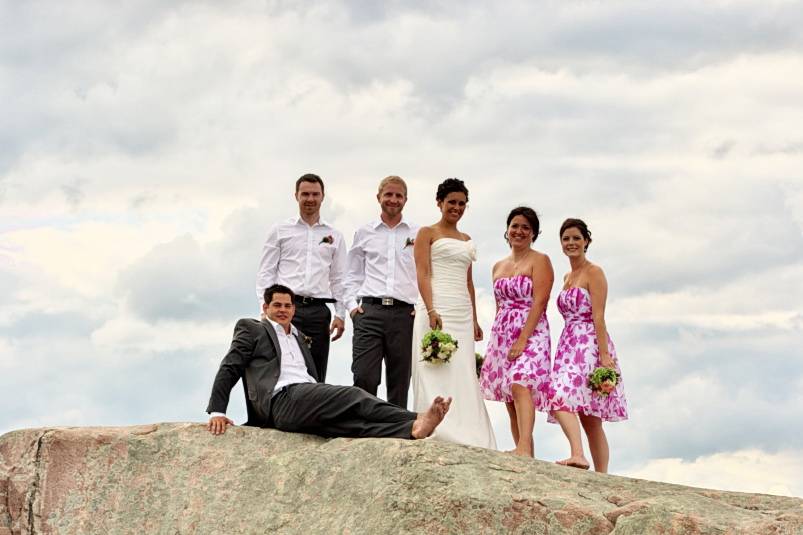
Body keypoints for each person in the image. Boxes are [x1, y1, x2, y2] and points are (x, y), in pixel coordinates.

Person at [206, 284, 452, 440]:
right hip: (281, 399)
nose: (283, 310)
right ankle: (415, 417)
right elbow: (230, 367)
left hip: (305, 399)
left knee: (352, 425)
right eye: (277, 305)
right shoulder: (252, 328)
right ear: (265, 307)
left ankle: (411, 430)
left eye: (288, 306)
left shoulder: (300, 336)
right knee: (353, 396)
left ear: (294, 309)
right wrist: (218, 411)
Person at [411, 178, 496, 449]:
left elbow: (469, 282)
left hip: (461, 309)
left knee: (462, 369)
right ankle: (435, 423)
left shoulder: (466, 239)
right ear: (440, 203)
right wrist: (431, 307)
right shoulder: (427, 233)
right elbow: (422, 273)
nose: (456, 208)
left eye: (461, 203)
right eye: (451, 202)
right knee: (434, 364)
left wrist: (473, 318)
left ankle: (468, 429)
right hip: (436, 306)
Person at [547, 218, 628, 473]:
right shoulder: (567, 276)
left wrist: (604, 356)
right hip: (568, 342)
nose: (571, 243)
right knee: (584, 412)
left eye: (576, 238)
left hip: (589, 344)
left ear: (586, 241)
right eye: (566, 239)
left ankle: (588, 463)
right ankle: (585, 460)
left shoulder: (594, 272)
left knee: (566, 400)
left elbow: (599, 316)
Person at [255, 173, 347, 382]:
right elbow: (266, 272)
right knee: (281, 366)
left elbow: (339, 278)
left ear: (323, 197)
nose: (310, 199)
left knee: (315, 370)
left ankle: (314, 414)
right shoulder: (280, 231)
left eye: (315, 194)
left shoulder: (335, 235)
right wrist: (265, 306)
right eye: (305, 194)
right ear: (296, 196)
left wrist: (340, 314)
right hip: (285, 308)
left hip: (318, 312)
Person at [479, 207, 553, 457]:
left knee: (521, 383)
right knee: (509, 394)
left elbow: (540, 301)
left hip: (531, 330)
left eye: (525, 228)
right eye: (515, 226)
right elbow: (499, 304)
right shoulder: (498, 266)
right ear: (507, 230)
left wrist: (523, 339)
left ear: (533, 233)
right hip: (502, 332)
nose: (519, 231)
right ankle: (525, 450)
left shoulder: (540, 260)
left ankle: (523, 446)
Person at [345, 176, 419, 407]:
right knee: (364, 375)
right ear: (379, 197)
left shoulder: (418, 234)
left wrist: (421, 307)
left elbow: (426, 274)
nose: (393, 200)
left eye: (398, 195)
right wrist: (352, 308)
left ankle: (396, 432)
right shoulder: (364, 233)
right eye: (388, 194)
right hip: (370, 312)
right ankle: (363, 426)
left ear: (405, 200)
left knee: (399, 380)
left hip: (404, 314)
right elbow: (352, 274)